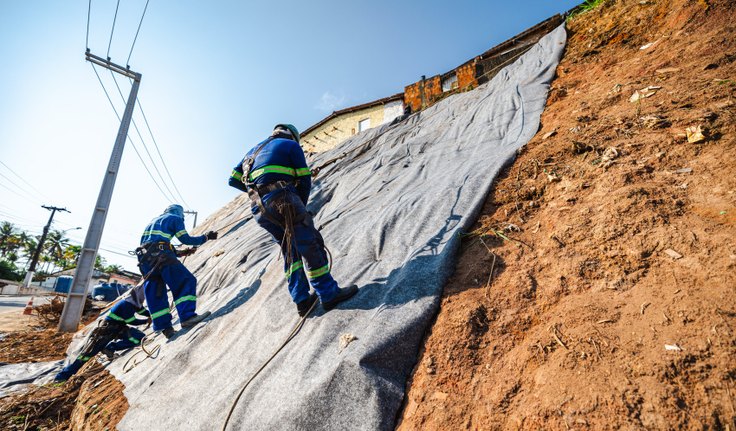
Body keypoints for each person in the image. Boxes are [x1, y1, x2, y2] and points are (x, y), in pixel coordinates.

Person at [228, 124, 358, 316]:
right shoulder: (291, 146)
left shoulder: (252, 152)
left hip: (260, 209)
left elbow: (232, 179)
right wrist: (301, 205)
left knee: (290, 250)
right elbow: (304, 179)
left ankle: (302, 301)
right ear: (293, 136)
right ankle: (328, 294)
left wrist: (257, 191)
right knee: (309, 243)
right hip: (284, 201)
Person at [136, 204, 217, 338]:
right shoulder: (175, 218)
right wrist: (206, 238)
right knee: (185, 281)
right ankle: (187, 317)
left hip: (145, 260)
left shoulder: (152, 222)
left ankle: (165, 327)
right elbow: (185, 239)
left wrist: (181, 252)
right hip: (162, 255)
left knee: (156, 291)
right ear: (180, 213)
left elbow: (154, 244)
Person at [54, 285, 150, 381]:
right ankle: (62, 377)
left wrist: (152, 315)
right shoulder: (126, 305)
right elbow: (132, 321)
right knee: (87, 355)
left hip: (118, 328)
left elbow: (142, 311)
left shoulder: (133, 303)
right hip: (106, 331)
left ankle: (110, 347)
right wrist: (146, 321)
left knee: (139, 337)